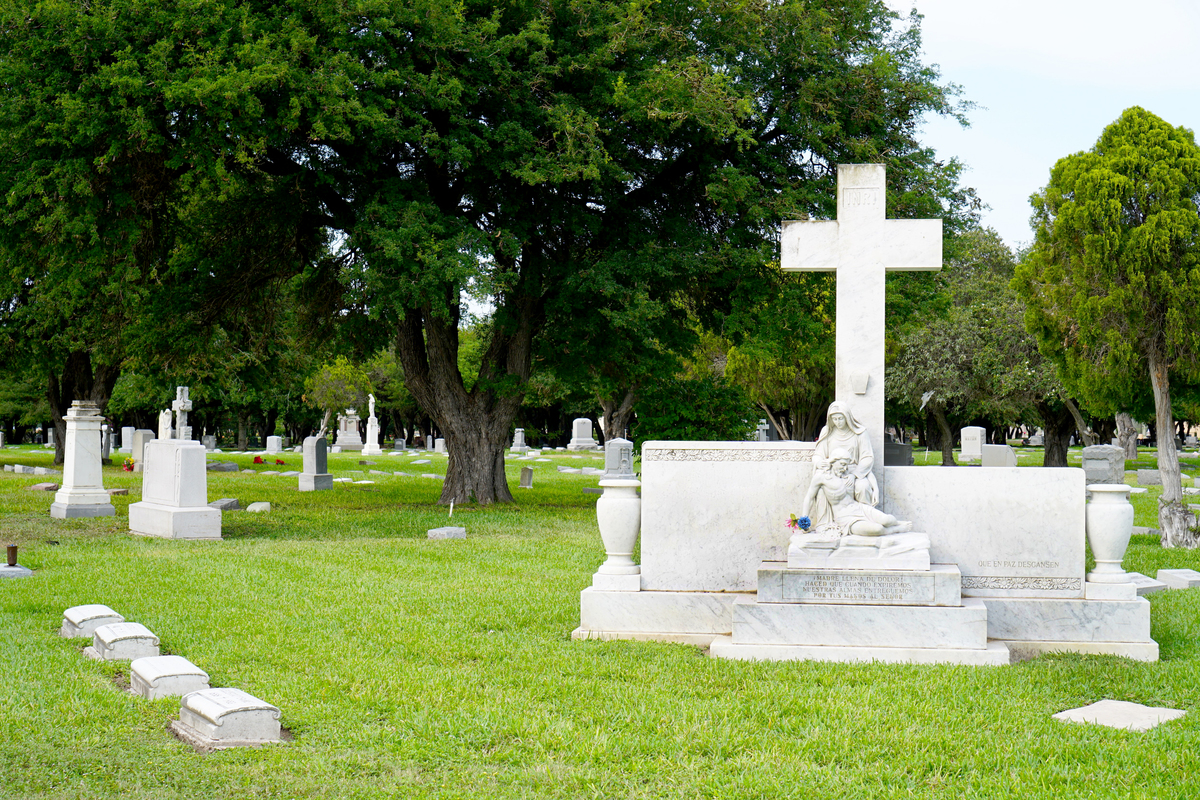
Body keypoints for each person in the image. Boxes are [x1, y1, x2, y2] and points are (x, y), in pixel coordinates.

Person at [801, 448, 909, 537]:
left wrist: (875, 489)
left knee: (886, 519)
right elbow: (809, 498)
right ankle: (895, 530)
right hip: (845, 518)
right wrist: (804, 519)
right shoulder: (822, 477)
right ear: (834, 461)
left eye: (846, 465)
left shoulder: (848, 471)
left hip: (859, 508)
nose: (845, 468)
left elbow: (867, 472)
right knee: (877, 529)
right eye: (842, 464)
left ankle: (897, 523)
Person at [813, 401, 877, 507]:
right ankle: (829, 522)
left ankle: (864, 518)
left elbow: (867, 457)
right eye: (835, 419)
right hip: (832, 472)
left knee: (863, 487)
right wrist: (819, 462)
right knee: (822, 489)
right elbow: (818, 454)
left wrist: (854, 475)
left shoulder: (860, 432)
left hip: (854, 471)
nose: (838, 422)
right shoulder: (827, 431)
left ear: (847, 417)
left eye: (840, 418)